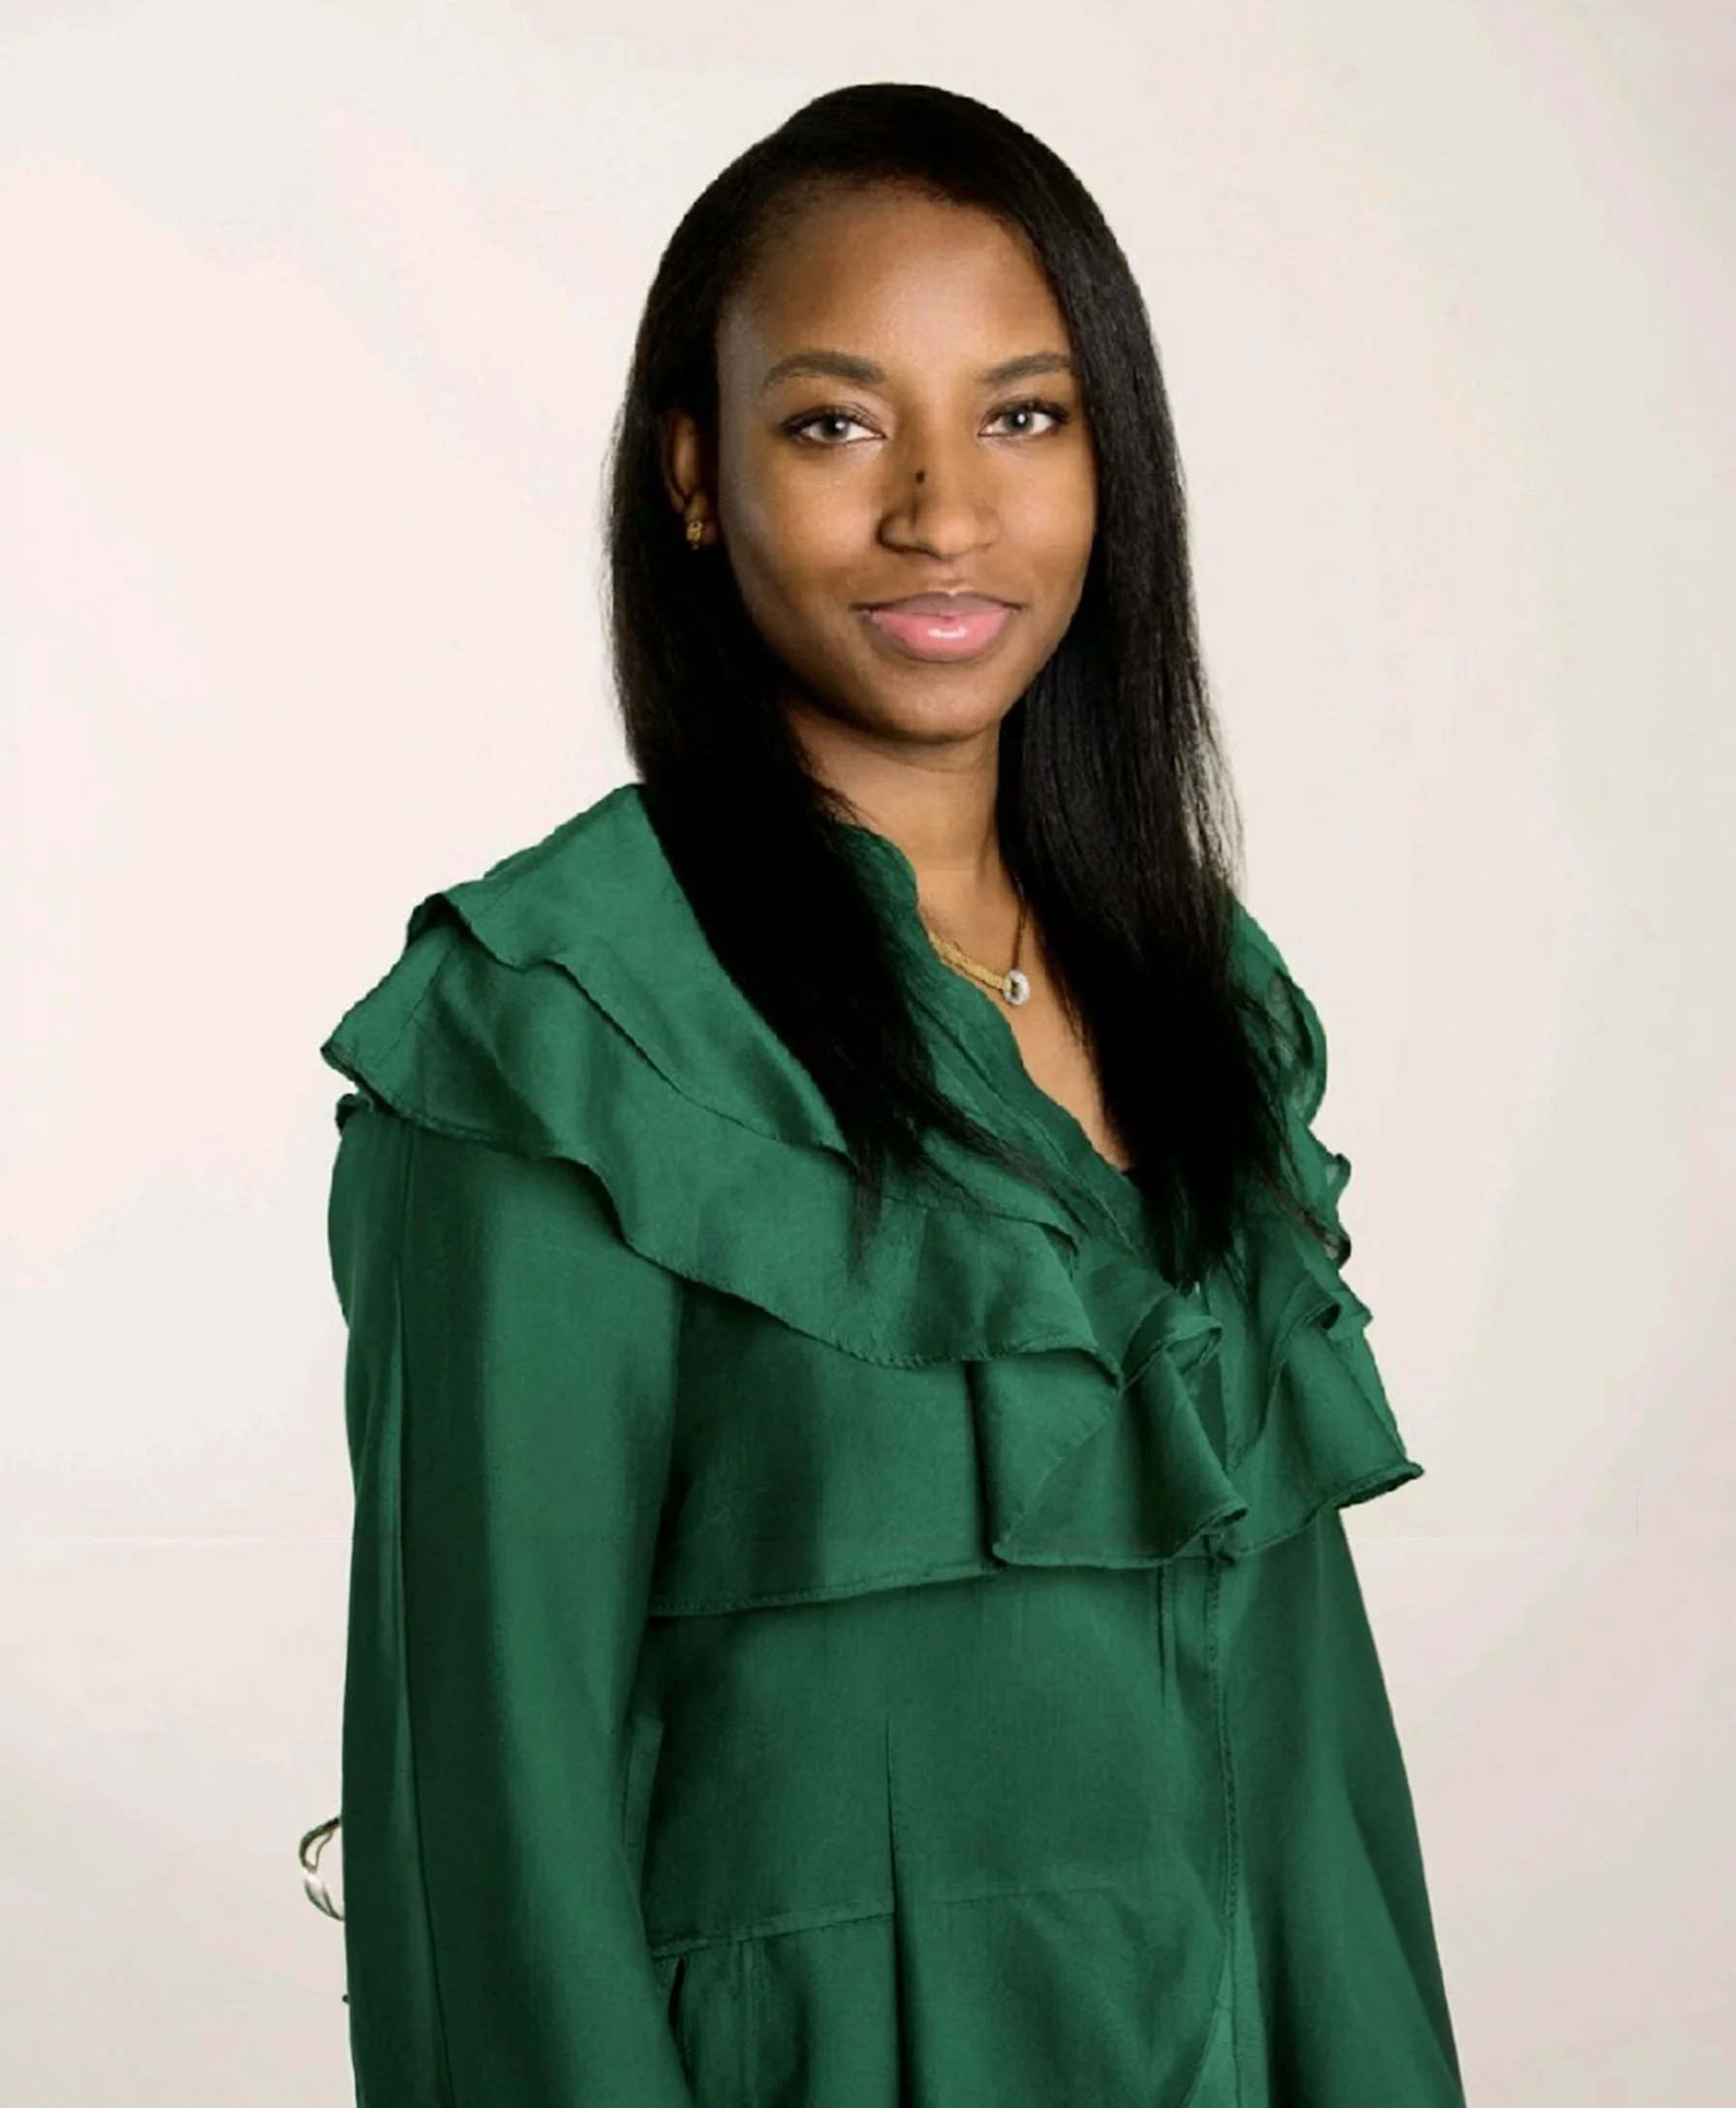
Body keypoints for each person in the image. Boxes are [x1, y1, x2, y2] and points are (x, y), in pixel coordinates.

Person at [308, 79, 1467, 2107]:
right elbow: (488, 1823)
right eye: (837, 424)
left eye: (1022, 417)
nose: (941, 511)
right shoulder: (554, 1032)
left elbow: (1308, 1751)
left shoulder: (1202, 995)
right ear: (694, 471)